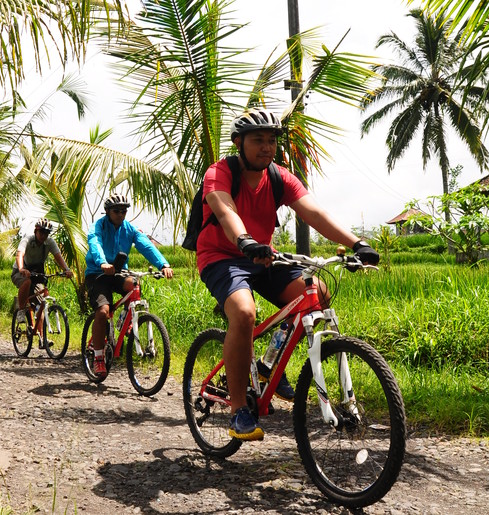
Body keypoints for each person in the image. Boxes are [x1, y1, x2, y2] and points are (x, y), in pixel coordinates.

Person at [197, 108, 380, 441]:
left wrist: (358, 243)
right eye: (257, 141)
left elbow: (314, 212)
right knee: (244, 312)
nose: (266, 147)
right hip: (221, 257)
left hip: (264, 257)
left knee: (318, 293)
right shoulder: (219, 172)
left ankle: (269, 363)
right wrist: (244, 240)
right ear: (238, 142)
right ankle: (239, 409)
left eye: (271, 141)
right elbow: (224, 209)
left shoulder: (279, 176)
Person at [85, 194, 175, 377]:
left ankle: (127, 322)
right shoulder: (98, 226)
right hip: (98, 273)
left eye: (124, 211)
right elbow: (95, 243)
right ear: (108, 211)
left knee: (134, 285)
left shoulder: (129, 229)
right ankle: (99, 358)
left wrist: (163, 264)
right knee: (102, 311)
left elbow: (145, 244)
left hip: (118, 273)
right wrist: (102, 262)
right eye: (117, 211)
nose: (121, 214)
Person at [12, 218, 73, 323]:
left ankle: (42, 338)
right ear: (35, 231)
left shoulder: (50, 242)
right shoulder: (27, 240)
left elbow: (58, 256)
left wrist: (66, 269)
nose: (43, 235)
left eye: (46, 233)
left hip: (37, 272)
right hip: (20, 270)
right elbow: (19, 254)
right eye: (41, 232)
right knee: (27, 282)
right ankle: (21, 310)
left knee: (42, 303)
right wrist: (22, 268)